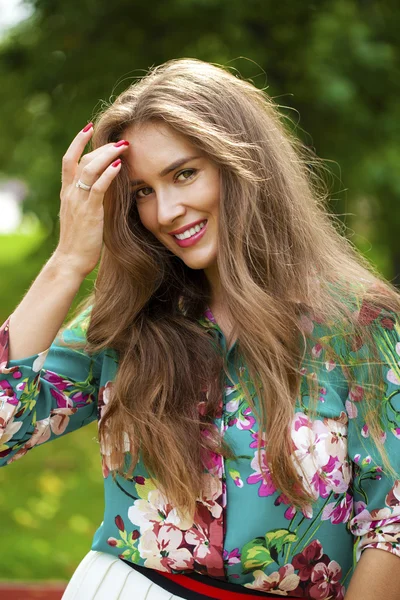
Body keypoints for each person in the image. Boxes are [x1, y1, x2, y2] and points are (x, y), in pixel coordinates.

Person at [0, 58, 399, 600]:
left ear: (243, 164)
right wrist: (68, 262)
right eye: (141, 191)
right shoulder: (127, 322)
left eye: (184, 173)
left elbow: (390, 525)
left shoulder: (360, 325)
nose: (165, 211)